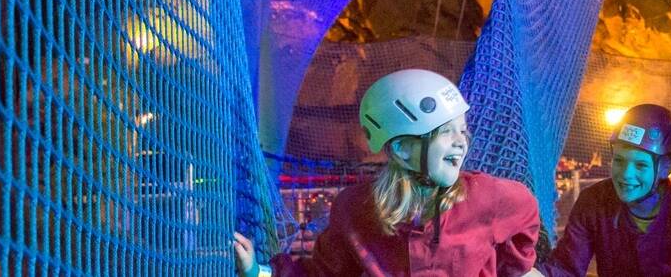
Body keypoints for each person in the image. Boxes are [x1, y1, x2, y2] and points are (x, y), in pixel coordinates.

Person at [232, 69, 542, 276]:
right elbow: (325, 273)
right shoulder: (356, 210)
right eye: (445, 132)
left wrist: (513, 268)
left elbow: (523, 228)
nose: (461, 142)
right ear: (402, 149)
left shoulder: (491, 198)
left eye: (462, 130)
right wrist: (257, 271)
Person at [537, 104, 671, 277]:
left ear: (665, 168)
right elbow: (565, 267)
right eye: (619, 160)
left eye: (641, 165)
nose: (626, 174)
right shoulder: (593, 202)